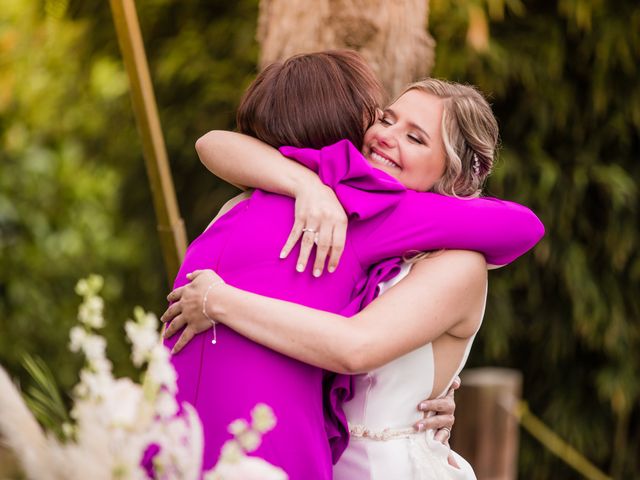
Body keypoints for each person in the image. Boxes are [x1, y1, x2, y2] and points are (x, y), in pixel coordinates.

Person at [162, 51, 544, 479]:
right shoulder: (344, 200)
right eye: (386, 119)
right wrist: (308, 185)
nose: (386, 136)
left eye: (416, 138)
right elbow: (213, 143)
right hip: (330, 454)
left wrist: (219, 300)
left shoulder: (447, 253)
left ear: (453, 176)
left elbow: (355, 348)